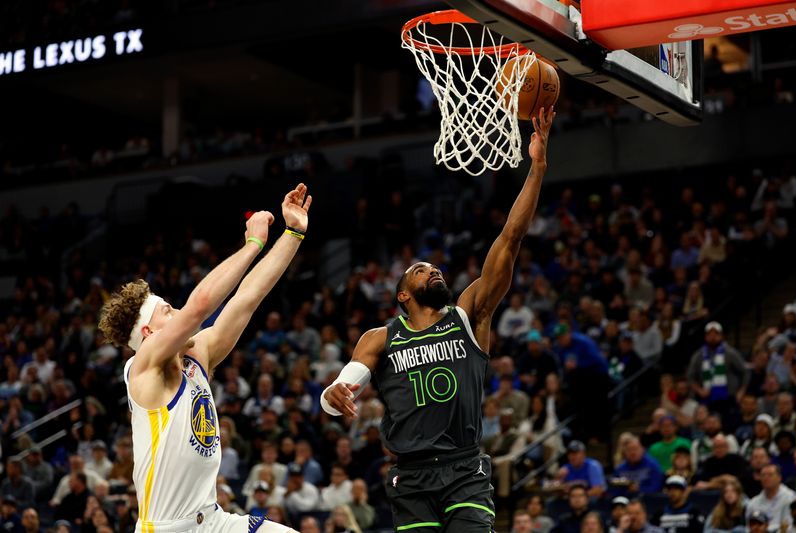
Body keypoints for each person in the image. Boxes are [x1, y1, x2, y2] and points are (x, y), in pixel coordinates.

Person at [321, 107, 557, 532]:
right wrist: (332, 396)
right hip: (410, 476)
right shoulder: (380, 338)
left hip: (464, 468)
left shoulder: (470, 315)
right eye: (420, 269)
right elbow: (343, 387)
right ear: (403, 295)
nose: (433, 269)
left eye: (434, 267)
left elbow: (510, 237)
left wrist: (536, 169)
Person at [98, 184, 311, 533]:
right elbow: (199, 306)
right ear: (149, 335)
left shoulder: (198, 356)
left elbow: (247, 298)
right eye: (168, 312)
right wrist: (253, 244)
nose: (178, 312)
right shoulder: (143, 368)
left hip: (214, 520)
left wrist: (293, 233)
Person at [686, 322, 747, 426]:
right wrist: (699, 390)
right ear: (705, 336)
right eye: (710, 334)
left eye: (716, 334)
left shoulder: (730, 353)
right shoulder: (699, 356)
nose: (713, 337)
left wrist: (741, 391)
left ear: (721, 336)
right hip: (708, 399)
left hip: (729, 398)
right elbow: (690, 377)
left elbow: (744, 371)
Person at [745, 464, 796, 532]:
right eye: (763, 475)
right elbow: (748, 528)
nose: (766, 478)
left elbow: (791, 525)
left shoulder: (791, 498)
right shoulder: (753, 502)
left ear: (779, 477)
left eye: (770, 475)